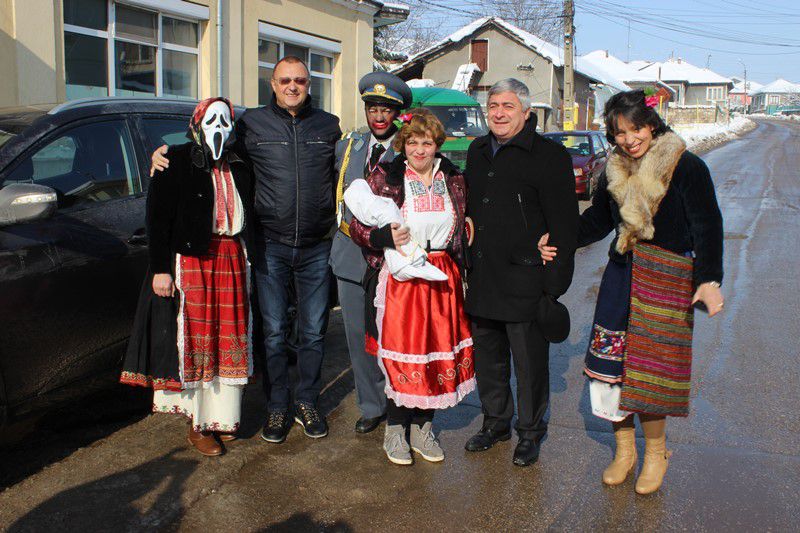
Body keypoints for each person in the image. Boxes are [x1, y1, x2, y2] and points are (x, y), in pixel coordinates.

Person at [539, 89, 724, 494]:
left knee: (652, 372)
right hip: (623, 276)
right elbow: (599, 221)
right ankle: (624, 451)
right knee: (609, 366)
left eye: (636, 127)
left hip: (667, 278)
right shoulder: (614, 170)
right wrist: (561, 236)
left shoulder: (686, 166)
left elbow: (708, 225)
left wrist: (709, 279)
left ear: (651, 124)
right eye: (619, 132)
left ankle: (655, 453)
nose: (629, 138)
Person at [151, 56, 342, 444]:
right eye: (285, 80)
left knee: (313, 332)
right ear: (272, 84)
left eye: (300, 81)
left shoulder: (330, 126)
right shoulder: (250, 123)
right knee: (272, 333)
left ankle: (306, 402)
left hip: (316, 245)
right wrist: (161, 155)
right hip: (269, 244)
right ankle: (276, 406)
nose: (293, 86)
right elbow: (202, 143)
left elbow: (355, 167)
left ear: (309, 85)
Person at [121, 97, 254, 456]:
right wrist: (161, 269)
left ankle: (222, 419)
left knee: (228, 337)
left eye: (226, 122)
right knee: (196, 340)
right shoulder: (175, 160)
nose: (220, 129)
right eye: (212, 121)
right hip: (193, 260)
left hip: (230, 260)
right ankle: (197, 423)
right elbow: (157, 219)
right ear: (196, 124)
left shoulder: (240, 164)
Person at [348, 109, 475, 465]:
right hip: (403, 277)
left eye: (428, 142)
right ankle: (395, 430)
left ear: (438, 145)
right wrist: (381, 234)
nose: (420, 150)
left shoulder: (452, 177)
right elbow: (356, 225)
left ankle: (422, 428)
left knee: (436, 352)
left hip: (442, 275)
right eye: (414, 142)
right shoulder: (387, 175)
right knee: (402, 353)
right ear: (404, 144)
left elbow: (464, 217)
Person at [462, 79, 578, 467]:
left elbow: (563, 223)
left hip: (526, 277)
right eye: (493, 105)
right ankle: (496, 422)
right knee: (488, 359)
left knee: (528, 364)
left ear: (526, 112)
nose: (498, 112)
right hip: (483, 276)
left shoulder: (549, 155)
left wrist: (555, 283)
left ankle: (530, 431)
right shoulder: (477, 152)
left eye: (508, 106)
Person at [331, 72, 412, 434]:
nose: (379, 117)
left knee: (395, 336)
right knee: (356, 335)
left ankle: (401, 403)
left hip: (392, 258)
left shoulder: (412, 146)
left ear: (398, 113)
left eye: (386, 110)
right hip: (350, 254)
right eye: (373, 108)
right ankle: (371, 404)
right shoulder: (348, 146)